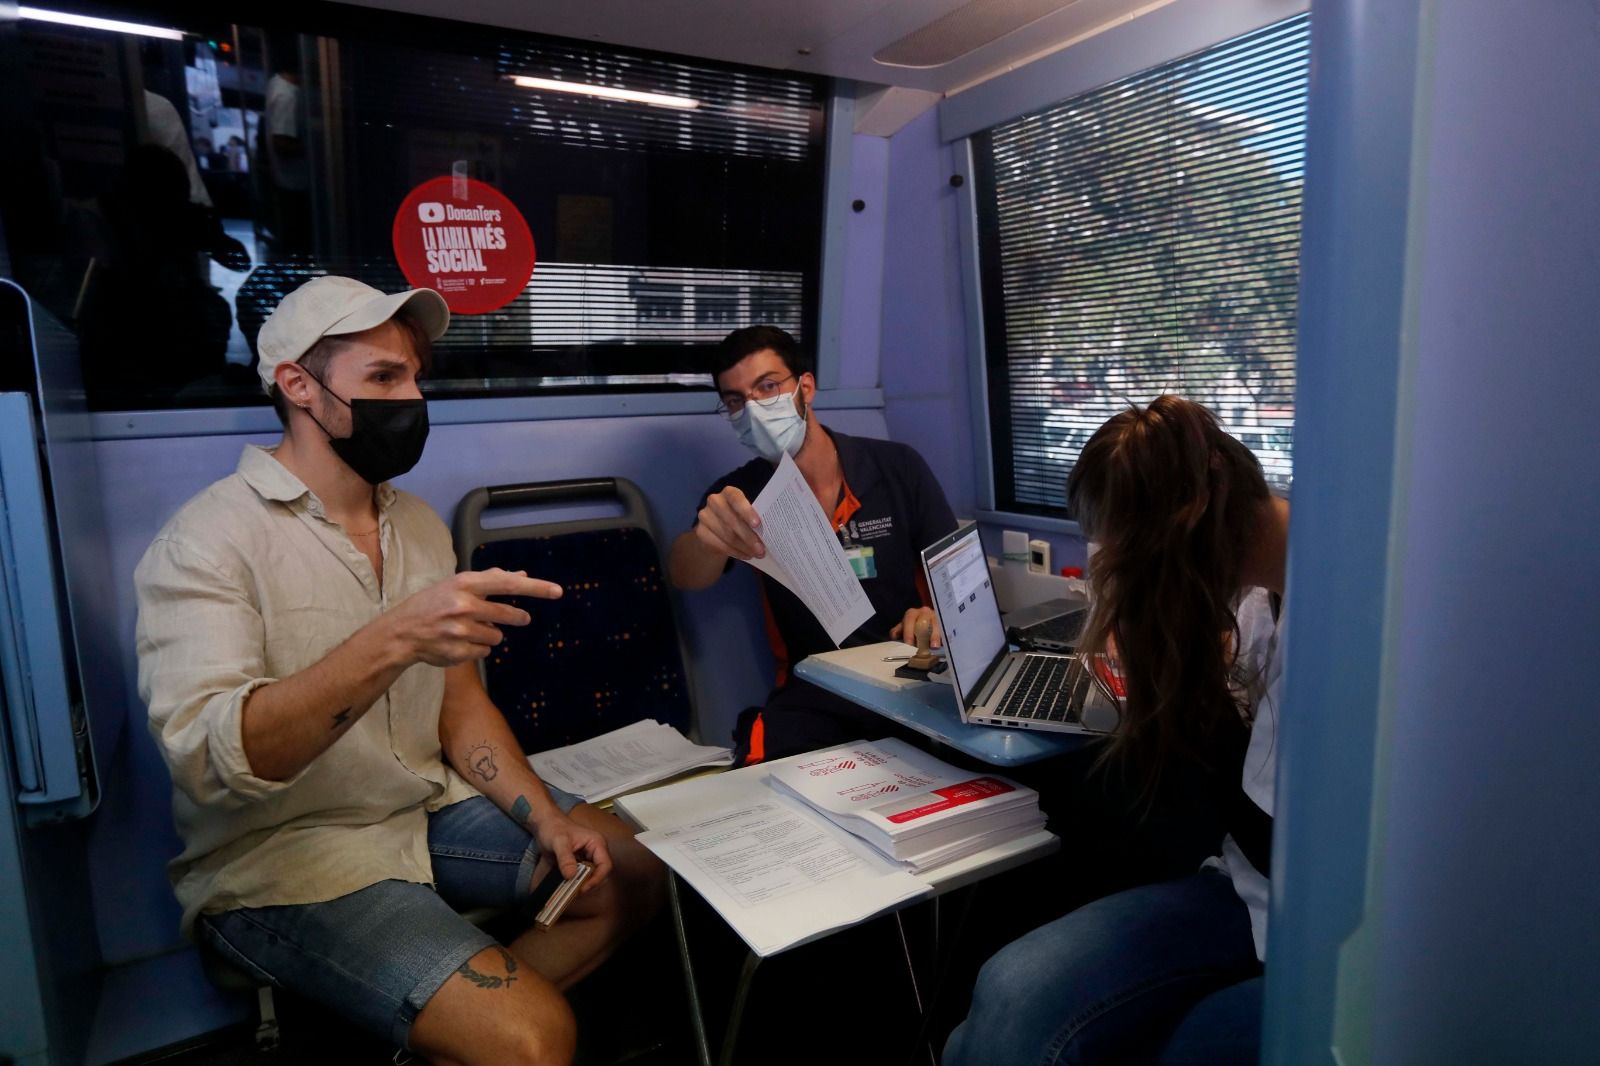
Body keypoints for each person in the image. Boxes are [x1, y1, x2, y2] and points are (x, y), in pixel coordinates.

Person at [135, 276, 664, 1066]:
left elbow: (459, 706)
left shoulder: (413, 524)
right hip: (288, 854)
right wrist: (392, 638)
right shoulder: (207, 542)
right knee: (534, 1040)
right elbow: (220, 763)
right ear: (298, 386)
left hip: (424, 810)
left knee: (633, 872)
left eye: (416, 376)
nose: (412, 397)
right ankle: (488, 1026)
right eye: (384, 378)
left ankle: (447, 1027)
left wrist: (544, 818)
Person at [943, 395, 1288, 1065]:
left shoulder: (1354, 607)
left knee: (1184, 1050)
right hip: (1240, 887)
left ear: (1193, 519)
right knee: (1006, 995)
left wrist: (1186, 688)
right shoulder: (1254, 589)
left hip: (1309, 919)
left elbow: (1287, 846)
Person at [668, 325, 958, 763]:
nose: (755, 408)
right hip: (815, 689)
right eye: (735, 401)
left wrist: (934, 615)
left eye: (767, 387)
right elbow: (686, 574)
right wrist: (710, 539)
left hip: (913, 676)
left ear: (806, 386)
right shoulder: (740, 493)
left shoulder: (896, 467)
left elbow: (956, 576)